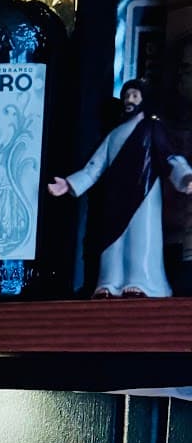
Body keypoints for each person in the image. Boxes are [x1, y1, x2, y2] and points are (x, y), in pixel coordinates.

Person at [48, 79, 192, 298]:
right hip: (115, 197)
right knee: (112, 243)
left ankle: (142, 282)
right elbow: (94, 167)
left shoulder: (152, 128)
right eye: (126, 96)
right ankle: (110, 282)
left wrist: (185, 176)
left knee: (141, 239)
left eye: (134, 95)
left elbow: (169, 157)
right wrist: (69, 183)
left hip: (144, 194)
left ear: (144, 99)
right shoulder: (114, 134)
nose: (129, 100)